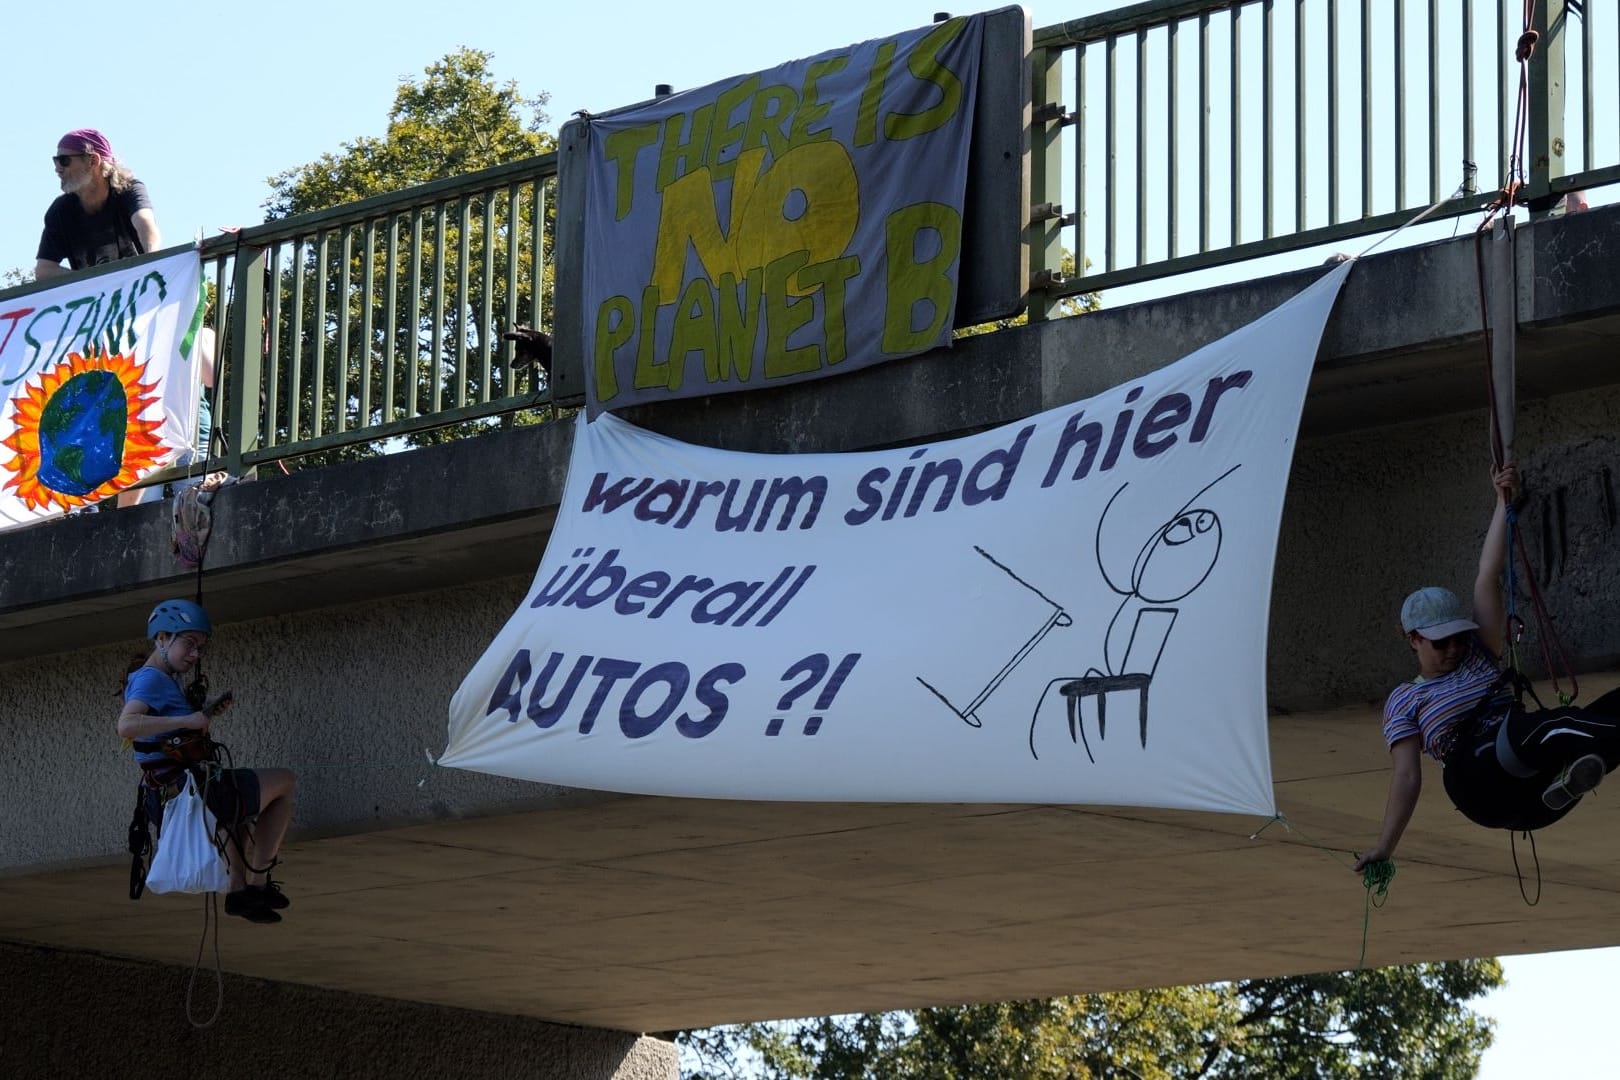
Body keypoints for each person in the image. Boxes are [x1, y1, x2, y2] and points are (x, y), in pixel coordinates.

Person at [1354, 463, 1620, 871]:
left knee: (1597, 716)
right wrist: (1385, 847)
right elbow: (1407, 777)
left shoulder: (1479, 652)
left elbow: (1487, 576)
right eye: (1442, 642)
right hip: (1476, 779)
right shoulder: (1405, 699)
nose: (1456, 647)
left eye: (1460, 636)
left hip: (1531, 800)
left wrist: (1502, 501)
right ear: (1413, 639)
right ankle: (1566, 766)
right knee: (1552, 726)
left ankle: (1565, 781)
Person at [117, 599, 296, 922]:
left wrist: (205, 711)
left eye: (200, 647)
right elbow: (126, 725)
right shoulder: (150, 678)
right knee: (284, 781)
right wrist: (187, 721)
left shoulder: (166, 679)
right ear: (161, 638)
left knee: (239, 816)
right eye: (188, 644)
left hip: (183, 792)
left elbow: (169, 724)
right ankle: (256, 885)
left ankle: (240, 891)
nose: (195, 654)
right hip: (191, 790)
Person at [35, 129, 160, 280]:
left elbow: (144, 222)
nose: (57, 169)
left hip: (139, 292)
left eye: (64, 161)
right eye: (55, 161)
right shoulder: (61, 211)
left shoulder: (128, 190)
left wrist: (153, 261)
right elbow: (44, 270)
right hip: (101, 300)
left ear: (93, 161)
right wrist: (95, 282)